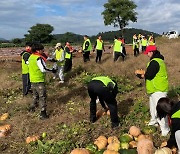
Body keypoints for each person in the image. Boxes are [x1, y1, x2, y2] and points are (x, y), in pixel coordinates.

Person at [137, 45, 170, 136]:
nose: (147, 55)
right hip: (154, 89)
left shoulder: (155, 62)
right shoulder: (157, 61)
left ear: (151, 52)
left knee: (161, 110)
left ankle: (165, 129)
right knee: (153, 108)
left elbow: (150, 75)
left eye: (147, 53)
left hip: (158, 89)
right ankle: (153, 121)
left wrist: (141, 75)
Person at [28, 43, 55, 119]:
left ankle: (32, 108)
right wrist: (52, 70)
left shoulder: (31, 57)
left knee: (35, 95)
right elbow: (43, 69)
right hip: (39, 80)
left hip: (32, 79)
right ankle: (43, 113)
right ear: (37, 50)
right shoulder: (38, 58)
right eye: (42, 49)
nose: (43, 51)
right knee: (42, 96)